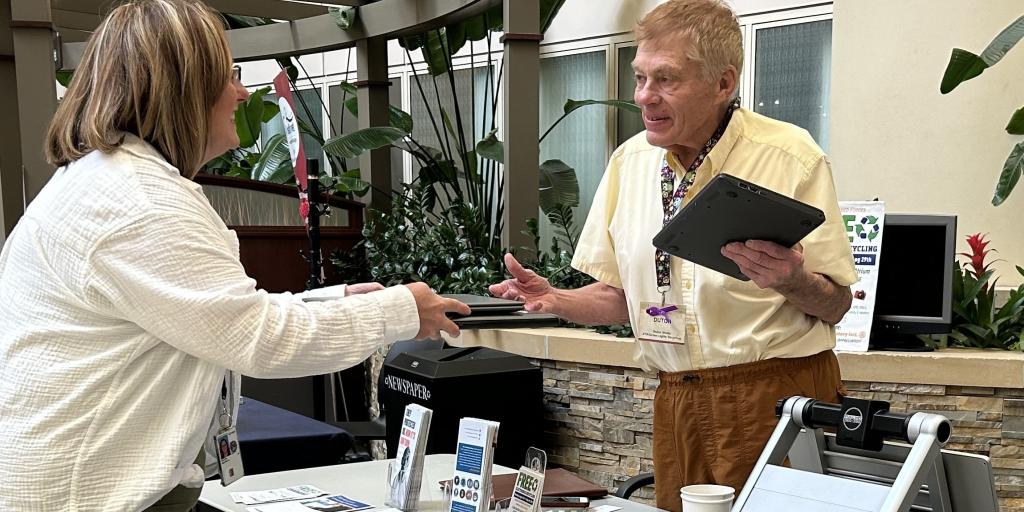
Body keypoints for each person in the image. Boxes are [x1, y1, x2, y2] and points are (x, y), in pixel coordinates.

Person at [0, 1, 470, 511]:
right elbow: (256, 339)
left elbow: (208, 315)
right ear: (184, 87)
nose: (242, 92)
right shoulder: (141, 202)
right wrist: (401, 309)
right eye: (228, 75)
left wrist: (335, 301)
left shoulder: (107, 182)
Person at [489, 1, 856, 511]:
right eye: (639, 78)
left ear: (724, 83)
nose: (644, 97)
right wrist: (556, 298)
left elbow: (837, 304)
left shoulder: (791, 157)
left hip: (774, 394)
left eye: (666, 79)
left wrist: (791, 279)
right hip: (676, 397)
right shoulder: (629, 161)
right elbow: (620, 296)